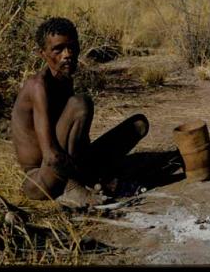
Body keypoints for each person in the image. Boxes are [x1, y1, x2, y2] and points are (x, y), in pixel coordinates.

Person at [10, 17, 149, 208]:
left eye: (71, 47)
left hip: (66, 163)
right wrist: (79, 182)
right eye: (58, 49)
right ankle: (72, 190)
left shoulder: (64, 79)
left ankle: (96, 180)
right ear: (43, 54)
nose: (67, 54)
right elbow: (51, 157)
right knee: (81, 103)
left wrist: (93, 170)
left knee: (138, 125)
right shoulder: (38, 87)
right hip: (41, 179)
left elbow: (77, 141)